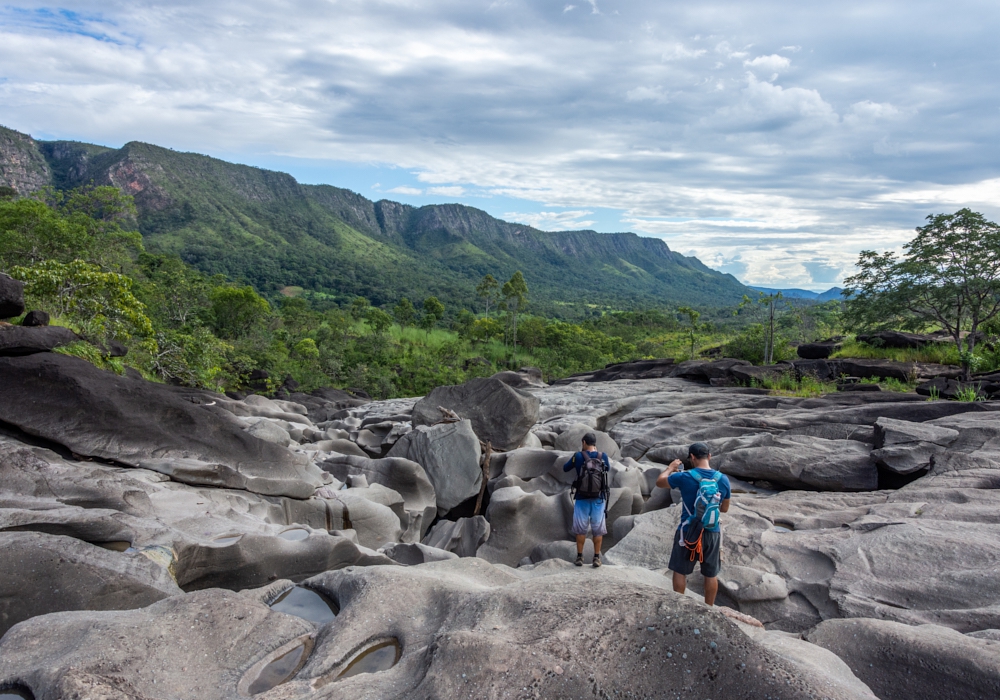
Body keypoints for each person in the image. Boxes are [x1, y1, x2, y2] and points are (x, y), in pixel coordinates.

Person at [656, 442, 731, 605]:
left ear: (692, 457)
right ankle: (709, 608)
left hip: (688, 531)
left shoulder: (684, 477)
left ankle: (681, 605)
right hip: (712, 530)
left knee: (680, 570)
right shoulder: (723, 479)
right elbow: (724, 508)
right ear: (709, 456)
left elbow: (660, 482)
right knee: (710, 574)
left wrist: (670, 468)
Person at [563, 432, 611, 568]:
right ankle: (596, 557)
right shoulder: (603, 456)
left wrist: (577, 460)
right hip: (599, 499)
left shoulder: (578, 456)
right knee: (598, 530)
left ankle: (580, 557)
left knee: (580, 530)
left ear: (584, 442)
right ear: (595, 443)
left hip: (581, 498)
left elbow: (565, 468)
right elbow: (608, 468)